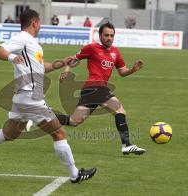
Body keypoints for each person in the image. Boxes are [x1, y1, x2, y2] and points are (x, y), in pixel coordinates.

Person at [0, 9, 96, 184]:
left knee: (8, 134)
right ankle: (75, 175)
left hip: (23, 98)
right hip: (31, 97)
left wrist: (63, 63)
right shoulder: (23, 38)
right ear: (35, 23)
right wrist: (12, 57)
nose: (40, 26)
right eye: (39, 23)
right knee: (59, 134)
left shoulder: (32, 44)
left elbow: (41, 67)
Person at [58, 22, 146, 155]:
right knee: (120, 111)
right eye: (106, 35)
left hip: (91, 90)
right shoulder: (92, 48)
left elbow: (122, 72)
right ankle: (126, 145)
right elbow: (73, 59)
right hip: (96, 86)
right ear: (100, 35)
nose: (109, 38)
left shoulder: (115, 52)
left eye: (111, 35)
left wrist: (133, 69)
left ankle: (41, 115)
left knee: (74, 120)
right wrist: (66, 70)